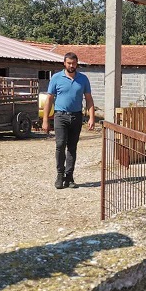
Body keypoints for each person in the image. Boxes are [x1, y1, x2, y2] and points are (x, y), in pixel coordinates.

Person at [41, 53, 95, 189]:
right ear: (64, 63)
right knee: (60, 145)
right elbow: (49, 99)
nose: (71, 66)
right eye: (69, 63)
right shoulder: (56, 78)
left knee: (72, 147)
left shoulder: (83, 79)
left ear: (77, 64)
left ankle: (69, 177)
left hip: (76, 116)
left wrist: (92, 117)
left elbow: (88, 99)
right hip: (60, 116)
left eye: (74, 63)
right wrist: (45, 120)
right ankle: (60, 175)